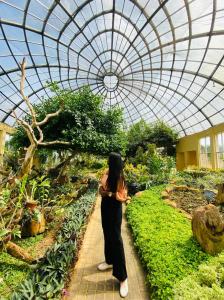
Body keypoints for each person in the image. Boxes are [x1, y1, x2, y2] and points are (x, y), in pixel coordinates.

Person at [98, 152, 128, 298]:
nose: (108, 162)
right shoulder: (107, 172)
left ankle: (123, 278)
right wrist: (101, 191)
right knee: (107, 234)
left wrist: (108, 194)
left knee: (116, 240)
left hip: (115, 209)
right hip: (105, 207)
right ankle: (109, 260)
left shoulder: (120, 176)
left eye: (110, 160)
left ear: (114, 162)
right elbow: (101, 187)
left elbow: (121, 196)